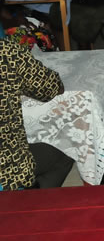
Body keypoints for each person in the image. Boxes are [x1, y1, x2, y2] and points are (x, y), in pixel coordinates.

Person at [0, 40, 74, 190]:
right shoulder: (6, 52)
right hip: (7, 167)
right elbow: (52, 86)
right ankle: (32, 204)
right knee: (65, 155)